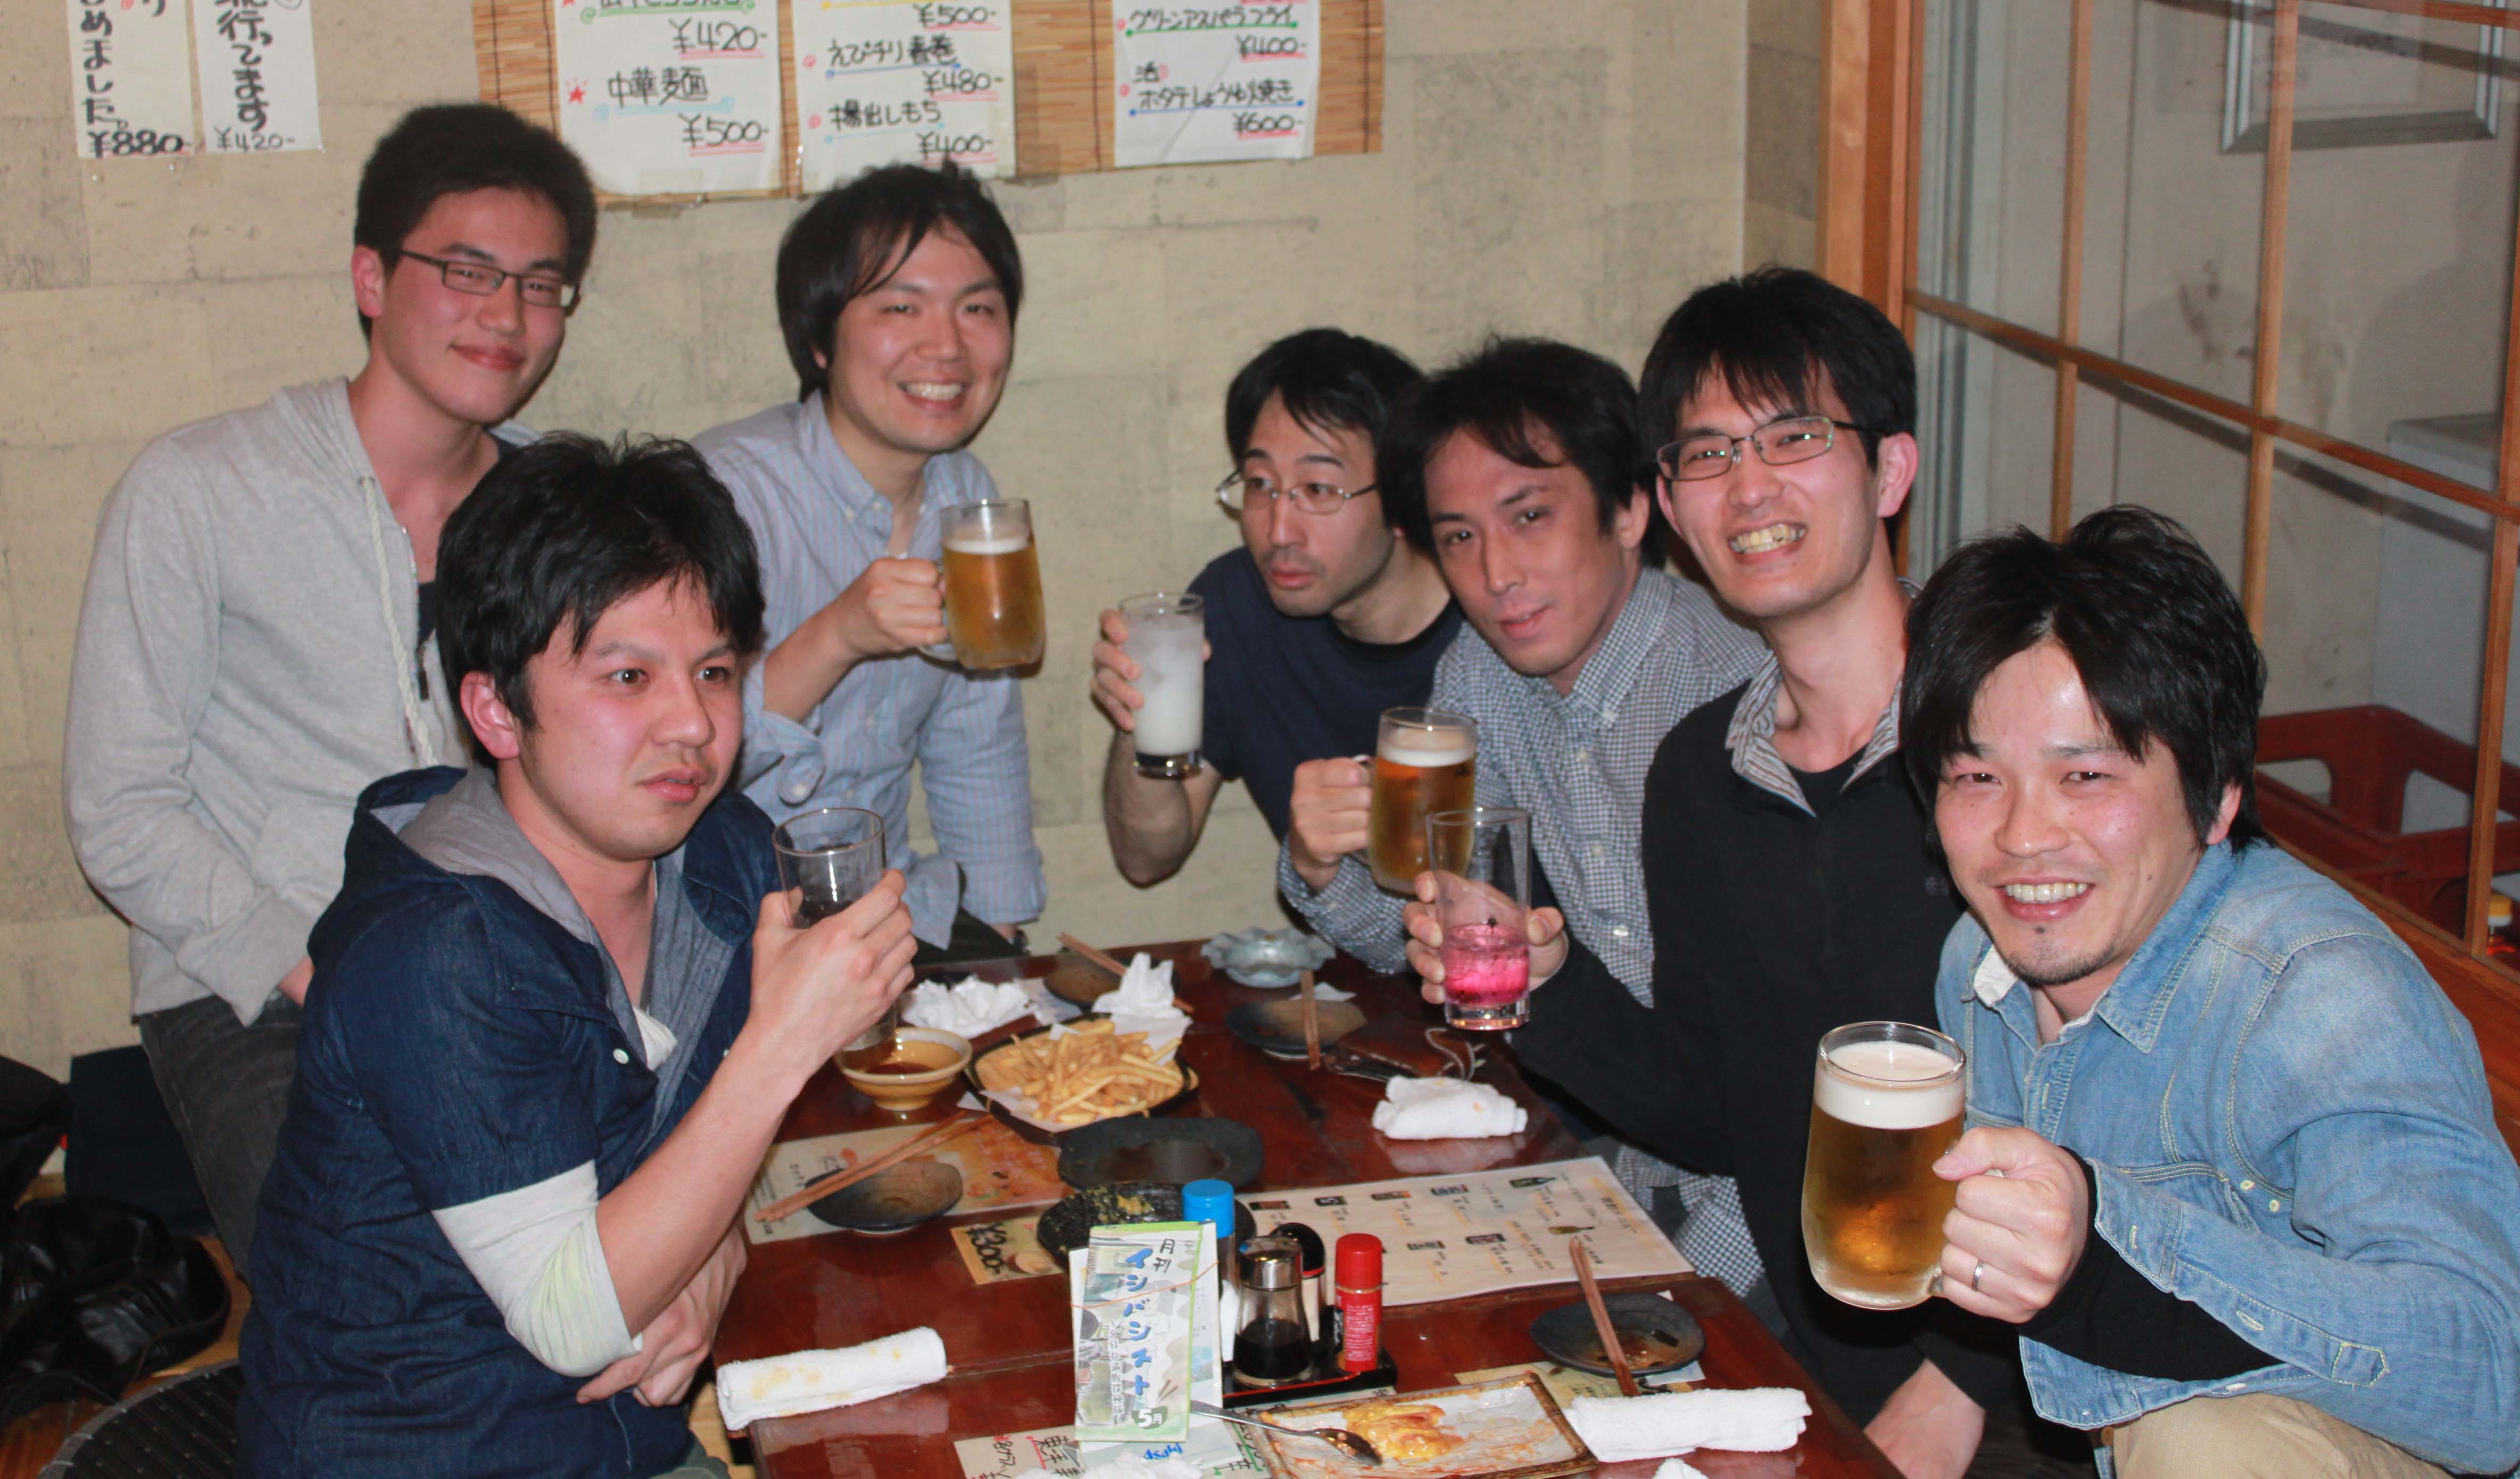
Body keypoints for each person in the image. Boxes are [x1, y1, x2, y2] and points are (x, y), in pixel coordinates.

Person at [1402, 270, 2027, 1473]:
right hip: (1808, 1367)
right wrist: (1546, 982)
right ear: (1675, 510)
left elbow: (2111, 1098)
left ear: (1890, 470)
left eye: (1793, 438)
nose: (1749, 488)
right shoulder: (1704, 771)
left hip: (2031, 1391)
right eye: (1707, 454)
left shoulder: (1999, 740)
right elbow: (1707, 1108)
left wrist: (1958, 1386)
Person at [237, 435, 919, 1476]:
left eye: (714, 672)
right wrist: (782, 1045)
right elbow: (571, 1319)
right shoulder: (436, 950)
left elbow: (698, 1163)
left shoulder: (723, 859)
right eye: (628, 676)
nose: (691, 723)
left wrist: (717, 1246)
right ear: (496, 710)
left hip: (621, 1447)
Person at [62, 103, 596, 1269]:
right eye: (467, 272)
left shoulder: (558, 511)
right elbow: (121, 807)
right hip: (255, 982)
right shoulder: (199, 490)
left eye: (540, 285)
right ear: (371, 276)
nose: (506, 316)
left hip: (497, 966)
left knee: (630, 1234)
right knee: (368, 1277)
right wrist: (324, 972)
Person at [1904, 506, 2520, 1478]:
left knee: (2199, 1438)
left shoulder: (2318, 1003)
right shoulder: (1976, 969)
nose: (2022, 836)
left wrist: (2109, 1242)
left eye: (2086, 774)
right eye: (1976, 776)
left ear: (2218, 792)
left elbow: (2492, 1380)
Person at [1279, 337, 1770, 1294]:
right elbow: (1434, 934)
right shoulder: (1483, 675)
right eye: (1460, 537)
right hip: (1622, 1168)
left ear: (1630, 509)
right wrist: (1320, 865)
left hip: (1769, 1210)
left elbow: (1778, 1091)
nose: (1496, 573)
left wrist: (1683, 1299)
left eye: (1530, 516)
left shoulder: (1737, 696)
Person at [694, 162, 1040, 966]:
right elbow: (673, 752)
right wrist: (838, 634)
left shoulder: (965, 495)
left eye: (978, 308)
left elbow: (976, 738)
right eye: (900, 307)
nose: (946, 346)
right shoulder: (721, 495)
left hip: (887, 913)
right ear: (819, 339)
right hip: (725, 924)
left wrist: (1001, 946)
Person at [1093, 329, 1460, 882]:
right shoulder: (1235, 602)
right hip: (1338, 936)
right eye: (1260, 484)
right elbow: (1146, 859)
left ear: (1403, 496)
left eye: (1318, 489)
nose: (1279, 530)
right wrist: (1137, 717)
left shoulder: (1491, 620)